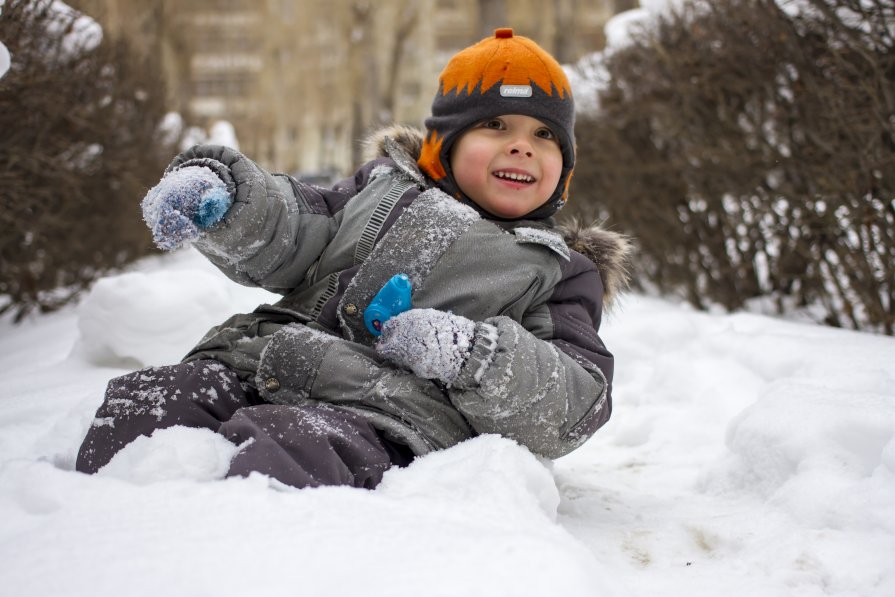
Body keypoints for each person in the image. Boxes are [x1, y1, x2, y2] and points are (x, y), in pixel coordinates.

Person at [76, 28, 630, 490]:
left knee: (289, 455)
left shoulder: (555, 270)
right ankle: (106, 530)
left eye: (545, 135)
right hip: (259, 364)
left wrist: (471, 356)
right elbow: (293, 228)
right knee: (149, 405)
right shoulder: (378, 191)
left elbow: (573, 401)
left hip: (385, 416)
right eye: (495, 126)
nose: (522, 146)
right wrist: (224, 201)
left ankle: (238, 559)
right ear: (444, 144)